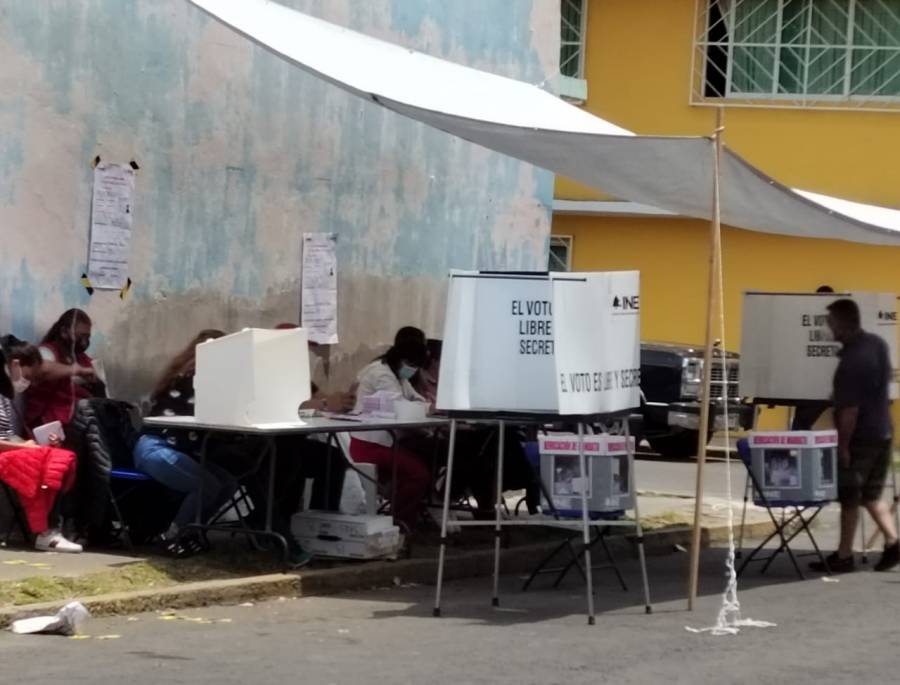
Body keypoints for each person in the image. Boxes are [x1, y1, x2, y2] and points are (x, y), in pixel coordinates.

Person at [811, 299, 899, 573]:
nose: (829, 330)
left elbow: (849, 411)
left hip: (861, 437)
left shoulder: (851, 362)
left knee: (849, 495)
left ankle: (844, 555)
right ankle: (893, 541)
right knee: (871, 493)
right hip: (884, 429)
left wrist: (843, 447)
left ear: (842, 324)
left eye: (830, 324)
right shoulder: (877, 344)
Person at [133, 330, 239, 558]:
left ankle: (193, 529)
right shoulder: (192, 378)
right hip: (156, 448)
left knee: (227, 483)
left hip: (176, 449)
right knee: (206, 485)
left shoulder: (199, 375)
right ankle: (173, 534)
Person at [0, 343, 82, 553]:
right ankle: (46, 532)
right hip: (6, 453)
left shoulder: (6, 397)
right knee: (48, 462)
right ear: (15, 365)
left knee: (61, 457)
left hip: (11, 449)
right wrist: (24, 448)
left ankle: (54, 527)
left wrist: (37, 443)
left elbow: (9, 435)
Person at [350, 327, 431, 531]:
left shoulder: (397, 374)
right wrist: (429, 408)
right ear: (402, 359)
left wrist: (426, 406)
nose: (413, 370)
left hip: (384, 439)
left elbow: (415, 398)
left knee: (424, 457)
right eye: (412, 365)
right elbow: (401, 406)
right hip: (368, 443)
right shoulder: (381, 374)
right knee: (418, 474)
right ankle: (399, 522)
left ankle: (404, 517)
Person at [25, 309, 104, 431]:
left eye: (87, 337)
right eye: (80, 336)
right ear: (64, 332)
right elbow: (40, 369)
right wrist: (76, 370)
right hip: (50, 426)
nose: (84, 342)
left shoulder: (84, 359)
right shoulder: (47, 352)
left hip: (82, 424)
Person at [792, 285, 837, 431]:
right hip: (814, 383)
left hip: (820, 384)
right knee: (801, 422)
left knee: (801, 423)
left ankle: (797, 450)